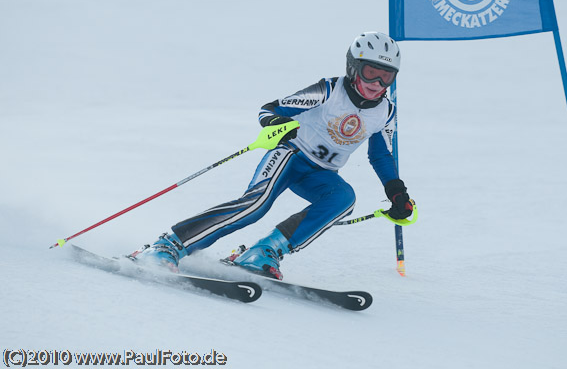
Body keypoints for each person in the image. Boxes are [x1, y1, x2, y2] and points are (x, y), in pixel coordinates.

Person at [130, 31, 415, 279]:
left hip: (322, 175)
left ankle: (263, 253)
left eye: (386, 75)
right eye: (370, 72)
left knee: (343, 199)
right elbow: (270, 109)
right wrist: (276, 125)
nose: (377, 82)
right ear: (353, 67)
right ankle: (169, 244)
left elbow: (380, 156)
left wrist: (396, 192)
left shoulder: (385, 112)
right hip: (290, 156)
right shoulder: (328, 90)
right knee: (256, 205)